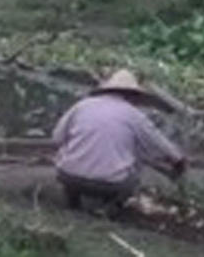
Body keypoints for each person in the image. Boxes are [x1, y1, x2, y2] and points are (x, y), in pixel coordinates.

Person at [51, 69, 187, 214]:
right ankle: (110, 208)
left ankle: (73, 202)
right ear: (131, 95)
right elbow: (158, 142)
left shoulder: (82, 106)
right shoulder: (133, 115)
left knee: (71, 158)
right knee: (133, 171)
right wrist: (178, 159)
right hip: (110, 183)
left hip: (68, 176)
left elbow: (57, 137)